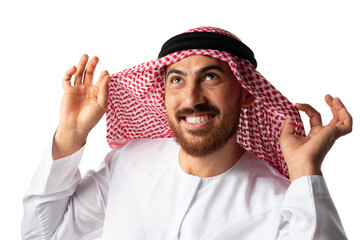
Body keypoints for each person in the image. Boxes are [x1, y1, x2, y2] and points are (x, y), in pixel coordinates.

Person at [21, 27, 352, 239]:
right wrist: (70, 134)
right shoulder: (128, 164)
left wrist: (305, 172)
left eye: (211, 77)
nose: (192, 99)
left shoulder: (281, 201)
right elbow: (43, 234)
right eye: (177, 80)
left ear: (246, 92)